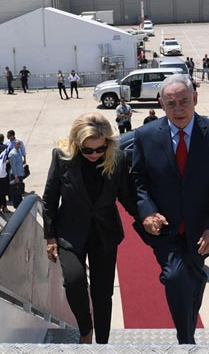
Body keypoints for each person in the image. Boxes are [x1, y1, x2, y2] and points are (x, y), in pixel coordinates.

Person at [131, 74, 209, 344]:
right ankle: (186, 340)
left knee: (194, 277)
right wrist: (146, 212)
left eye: (184, 102)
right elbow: (138, 179)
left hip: (202, 230)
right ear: (161, 104)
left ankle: (187, 332)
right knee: (176, 276)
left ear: (195, 99)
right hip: (165, 228)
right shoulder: (145, 136)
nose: (178, 109)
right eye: (171, 103)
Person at [42, 112, 138, 344]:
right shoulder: (61, 157)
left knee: (103, 293)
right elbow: (50, 199)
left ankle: (103, 342)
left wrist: (146, 216)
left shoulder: (118, 159)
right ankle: (86, 331)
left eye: (100, 149)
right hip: (70, 233)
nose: (95, 154)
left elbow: (127, 197)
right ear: (77, 144)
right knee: (74, 282)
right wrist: (50, 237)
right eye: (88, 150)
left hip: (104, 234)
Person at [8, 139, 25, 208]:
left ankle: (20, 203)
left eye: (19, 144)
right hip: (16, 175)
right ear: (14, 144)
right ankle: (16, 205)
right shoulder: (12, 154)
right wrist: (15, 177)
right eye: (18, 144)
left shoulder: (19, 151)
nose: (19, 145)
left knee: (19, 190)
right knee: (15, 191)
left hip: (20, 174)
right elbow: (13, 166)